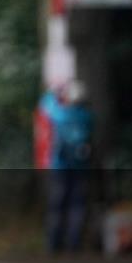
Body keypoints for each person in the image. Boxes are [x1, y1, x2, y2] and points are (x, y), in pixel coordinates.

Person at [37, 79, 93, 253]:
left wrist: (54, 92)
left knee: (57, 205)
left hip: (60, 166)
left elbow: (45, 105)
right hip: (81, 166)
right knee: (77, 205)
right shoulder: (86, 117)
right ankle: (74, 244)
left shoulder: (60, 115)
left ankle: (53, 244)